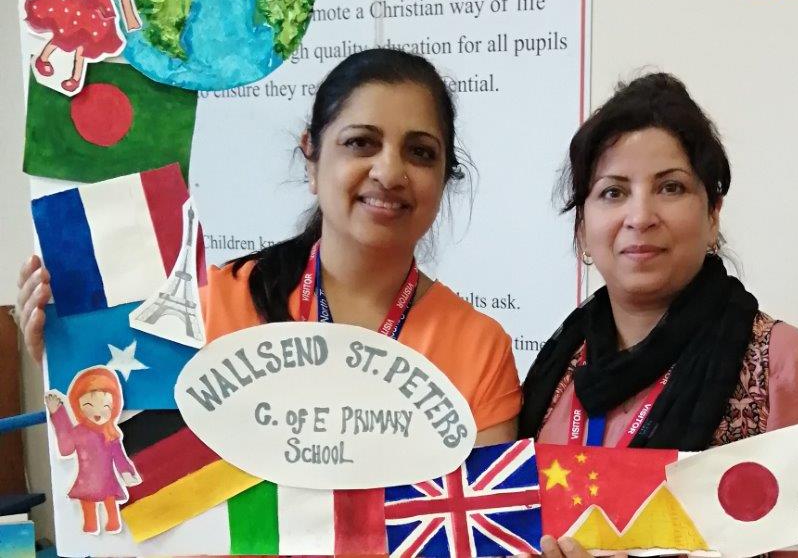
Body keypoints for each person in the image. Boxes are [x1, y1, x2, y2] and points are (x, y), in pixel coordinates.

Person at [17, 49, 521, 445]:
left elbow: (479, 530)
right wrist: (63, 360)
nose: (390, 172)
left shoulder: (479, 348)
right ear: (311, 159)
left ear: (443, 177)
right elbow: (120, 464)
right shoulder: (211, 306)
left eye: (420, 152)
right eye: (361, 142)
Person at [518, 73, 798, 558]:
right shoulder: (557, 370)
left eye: (670, 188)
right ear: (582, 229)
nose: (640, 216)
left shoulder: (786, 366)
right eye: (613, 192)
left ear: (713, 214)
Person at [45, 366, 140, 535]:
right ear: (78, 405)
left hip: (107, 478)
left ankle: (113, 520)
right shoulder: (79, 432)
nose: (98, 412)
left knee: (109, 500)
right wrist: (58, 413)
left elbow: (119, 456)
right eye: (89, 404)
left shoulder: (110, 434)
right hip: (86, 479)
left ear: (114, 406)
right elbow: (66, 448)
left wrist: (126, 473)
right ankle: (90, 524)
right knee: (87, 501)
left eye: (105, 405)